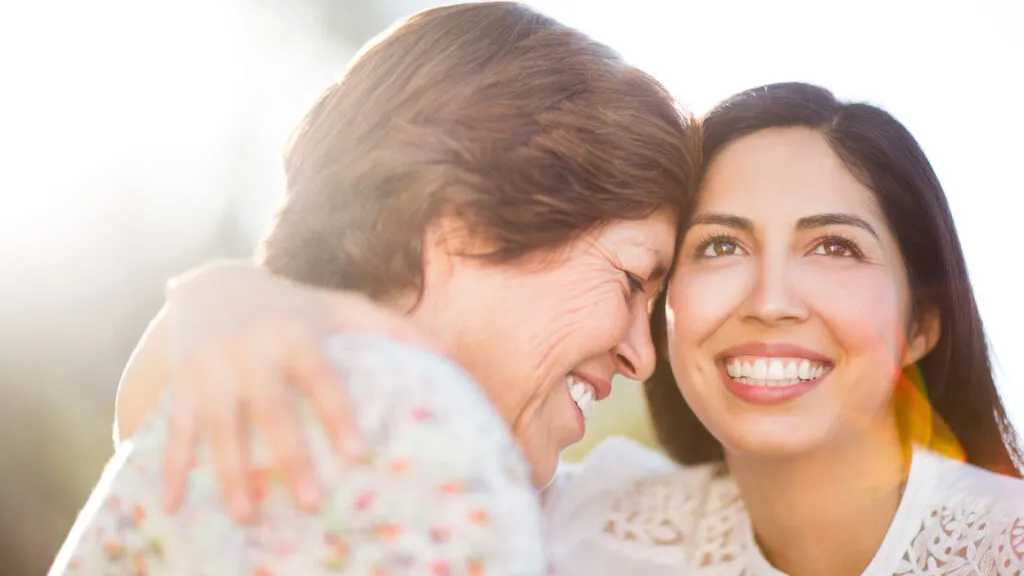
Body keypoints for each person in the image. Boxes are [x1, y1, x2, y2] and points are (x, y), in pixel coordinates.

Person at [117, 82, 1024, 575]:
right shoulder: (577, 521)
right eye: (716, 249)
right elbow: (167, 439)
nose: (771, 298)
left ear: (922, 325)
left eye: (833, 246)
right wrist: (231, 301)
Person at [48, 3, 696, 574]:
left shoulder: (234, 413)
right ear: (464, 220)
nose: (643, 354)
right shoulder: (414, 433)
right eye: (634, 279)